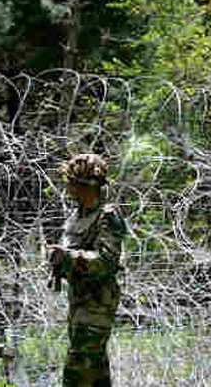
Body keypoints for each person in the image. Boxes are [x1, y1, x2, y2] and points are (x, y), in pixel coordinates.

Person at [48, 153, 126, 387]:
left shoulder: (108, 216)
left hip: (98, 302)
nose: (67, 186)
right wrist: (57, 259)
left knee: (77, 370)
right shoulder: (77, 216)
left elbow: (107, 261)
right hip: (79, 300)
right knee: (95, 372)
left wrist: (69, 258)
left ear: (85, 186)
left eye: (71, 181)